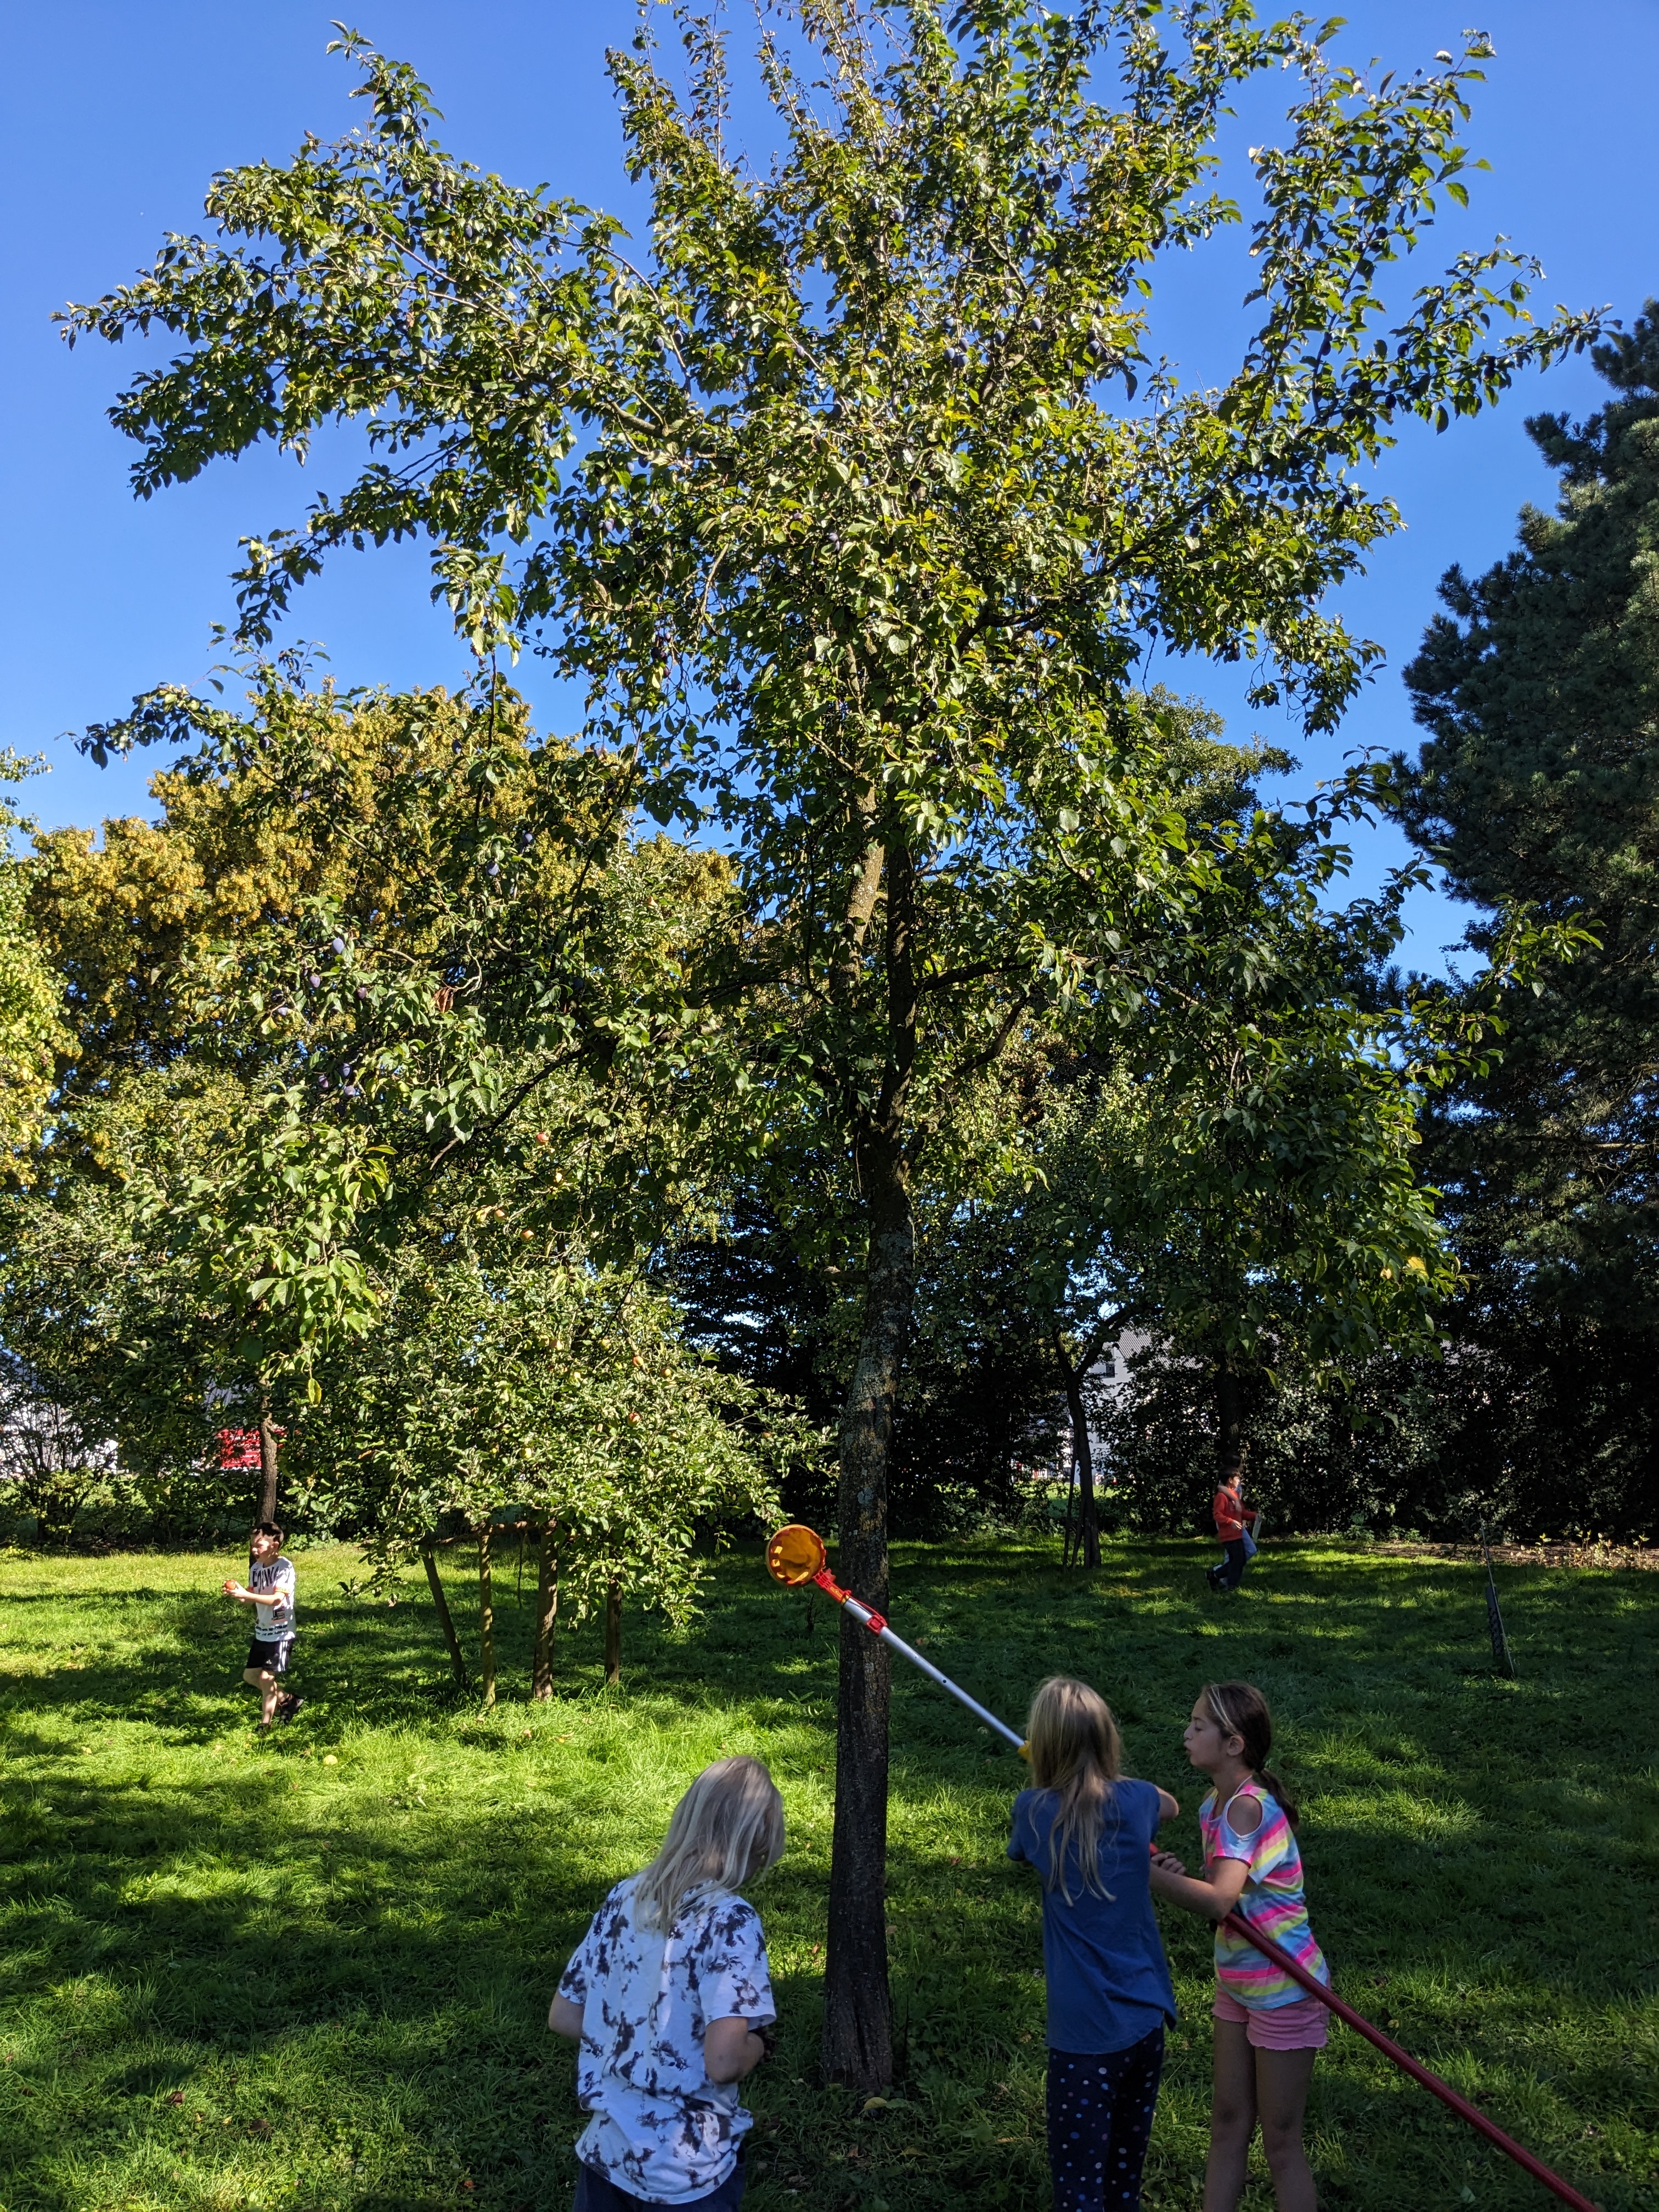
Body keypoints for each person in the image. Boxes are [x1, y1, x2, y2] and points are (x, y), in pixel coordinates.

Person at [550, 1756, 783, 2209]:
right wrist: (758, 2044)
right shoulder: (731, 1920)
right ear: (754, 1843)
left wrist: (640, 2037)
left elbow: (565, 2014)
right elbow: (723, 2061)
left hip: (608, 2154)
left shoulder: (625, 1898)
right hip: (688, 2169)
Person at [1149, 1681, 1329, 2212]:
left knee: (1280, 2142)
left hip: (1286, 1988)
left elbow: (1219, 1902)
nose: (1186, 1733)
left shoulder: (1247, 1810)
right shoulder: (1214, 1805)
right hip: (1239, 1982)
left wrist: (1148, 1876)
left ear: (1234, 1744)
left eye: (1198, 1725)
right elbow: (1229, 1892)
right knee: (1227, 2123)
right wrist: (1179, 1877)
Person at [1007, 1676, 1181, 2211]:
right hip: (1146, 2023)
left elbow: (1020, 1849)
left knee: (1080, 2192)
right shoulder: (1137, 1801)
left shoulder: (1034, 1813)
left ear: (1046, 1746)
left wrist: (1046, 1770)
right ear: (1107, 1741)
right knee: (1121, 2184)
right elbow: (1169, 1806)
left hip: (1085, 2039)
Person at [222, 1521, 302, 1729]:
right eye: (252, 1545)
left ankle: (265, 1724)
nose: (254, 1549)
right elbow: (251, 1599)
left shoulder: (284, 1567)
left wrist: (247, 1594)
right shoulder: (256, 1568)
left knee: (267, 1677)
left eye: (259, 1545)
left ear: (274, 1545)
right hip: (263, 1631)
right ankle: (288, 1700)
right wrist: (238, 1594)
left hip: (281, 1631)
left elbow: (277, 1599)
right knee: (250, 1676)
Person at [1207, 1462, 1259, 1593]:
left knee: (1239, 1560)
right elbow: (1218, 1516)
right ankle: (1230, 1586)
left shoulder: (1235, 1496)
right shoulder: (1221, 1497)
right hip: (1228, 1536)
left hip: (1238, 1534)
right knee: (1237, 1561)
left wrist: (1256, 1516)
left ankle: (1216, 1576)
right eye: (1238, 1478)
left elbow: (1242, 1513)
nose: (1239, 1480)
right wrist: (1230, 1522)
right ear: (1230, 1480)